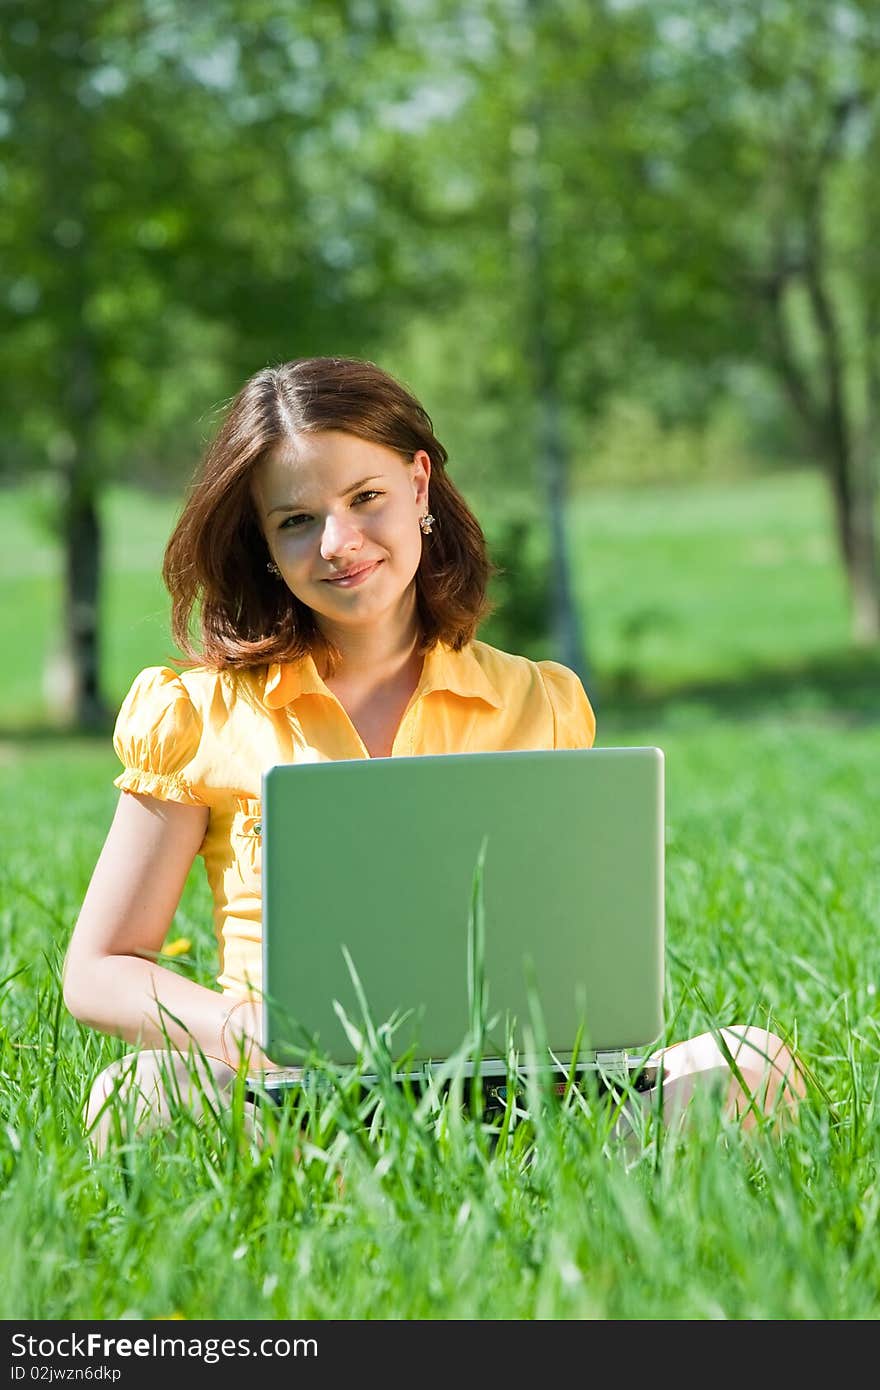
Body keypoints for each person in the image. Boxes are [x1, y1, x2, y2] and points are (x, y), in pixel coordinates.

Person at [62, 356, 805, 1156]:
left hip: (529, 1090)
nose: (339, 543)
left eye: (364, 498)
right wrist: (249, 1029)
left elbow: (579, 951)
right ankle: (381, 1181)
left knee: (757, 1065)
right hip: (294, 1098)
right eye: (296, 521)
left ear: (419, 487)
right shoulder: (196, 713)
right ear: (265, 545)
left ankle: (515, 1169)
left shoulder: (540, 701)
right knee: (134, 1096)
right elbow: (98, 969)